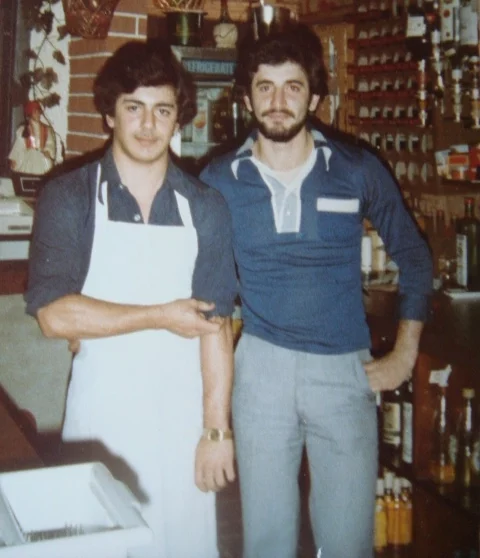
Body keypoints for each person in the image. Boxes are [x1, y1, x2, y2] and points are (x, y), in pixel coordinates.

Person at [200, 25, 433, 558]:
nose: (278, 102)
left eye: (293, 87)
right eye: (264, 87)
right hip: (260, 374)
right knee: (267, 543)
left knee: (349, 542)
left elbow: (416, 258)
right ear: (246, 97)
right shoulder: (219, 179)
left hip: (343, 376)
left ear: (316, 98)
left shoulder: (355, 170)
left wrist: (403, 354)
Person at [25, 39, 237, 558]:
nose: (148, 125)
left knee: (183, 543)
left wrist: (215, 430)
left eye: (162, 110)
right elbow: (53, 315)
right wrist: (160, 315)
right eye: (134, 108)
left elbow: (216, 328)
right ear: (109, 116)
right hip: (103, 415)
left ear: (177, 119)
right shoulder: (70, 196)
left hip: (182, 413)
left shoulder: (205, 207)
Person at [9, 100, 57, 175]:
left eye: (38, 112)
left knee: (44, 176)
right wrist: (15, 159)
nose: (38, 114)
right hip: (28, 159)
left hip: (42, 159)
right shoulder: (24, 129)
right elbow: (19, 145)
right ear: (30, 114)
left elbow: (50, 143)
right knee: (27, 175)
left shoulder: (47, 129)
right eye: (35, 112)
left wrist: (48, 151)